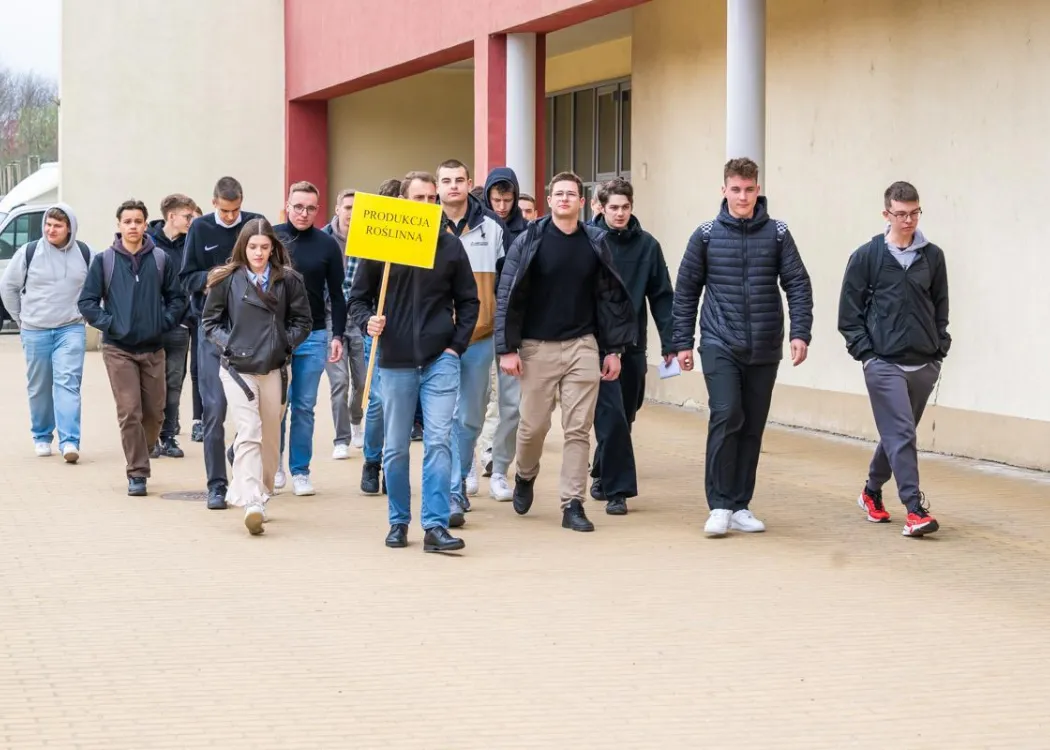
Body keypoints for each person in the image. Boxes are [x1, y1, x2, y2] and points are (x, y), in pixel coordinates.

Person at [672, 157, 814, 537]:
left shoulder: (779, 233)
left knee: (751, 425)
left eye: (749, 189)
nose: (743, 197)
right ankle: (718, 504)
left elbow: (798, 284)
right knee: (726, 413)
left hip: (765, 345)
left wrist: (800, 332)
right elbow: (686, 291)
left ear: (758, 190)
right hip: (720, 341)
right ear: (724, 190)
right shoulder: (705, 234)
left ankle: (740, 504)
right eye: (735, 189)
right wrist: (682, 342)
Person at [495, 171, 635, 533]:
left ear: (582, 201)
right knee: (533, 426)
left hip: (582, 346)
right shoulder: (529, 240)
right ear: (549, 199)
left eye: (571, 194)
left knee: (578, 430)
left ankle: (572, 503)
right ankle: (525, 475)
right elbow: (507, 297)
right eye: (558, 194)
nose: (564, 199)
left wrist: (613, 350)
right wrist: (506, 349)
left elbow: (609, 299)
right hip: (536, 348)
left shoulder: (596, 242)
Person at [347, 170, 479, 553]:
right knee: (396, 448)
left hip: (440, 359)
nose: (426, 205)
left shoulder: (449, 245)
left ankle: (435, 526)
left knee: (439, 441)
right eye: (418, 199)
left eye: (431, 199)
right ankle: (398, 520)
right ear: (402, 203)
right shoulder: (381, 247)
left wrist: (456, 346)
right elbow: (358, 299)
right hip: (395, 360)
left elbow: (469, 300)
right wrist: (366, 321)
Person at [838, 181, 949, 538]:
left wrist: (939, 347)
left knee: (896, 434)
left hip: (924, 361)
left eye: (915, 212)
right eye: (901, 214)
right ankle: (914, 510)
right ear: (887, 214)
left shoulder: (932, 256)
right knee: (901, 432)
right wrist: (866, 355)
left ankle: (871, 492)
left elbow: (940, 306)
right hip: (882, 361)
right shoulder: (867, 257)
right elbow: (848, 313)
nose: (909, 220)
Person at [202, 218, 312, 535]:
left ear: (273, 248)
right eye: (253, 247)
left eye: (265, 247)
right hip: (236, 367)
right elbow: (210, 323)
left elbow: (304, 321)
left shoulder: (288, 280)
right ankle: (252, 501)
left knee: (270, 436)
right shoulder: (226, 279)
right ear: (243, 247)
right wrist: (231, 344)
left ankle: (262, 490)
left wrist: (283, 342)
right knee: (248, 430)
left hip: (273, 365)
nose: (259, 253)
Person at [78, 199, 186, 496]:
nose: (133, 226)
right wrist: (110, 323)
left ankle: (145, 446)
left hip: (153, 348)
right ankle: (137, 473)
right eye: (128, 221)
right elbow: (86, 302)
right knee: (129, 411)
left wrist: (162, 322)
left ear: (146, 223)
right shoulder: (105, 261)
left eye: (138, 221)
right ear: (119, 225)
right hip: (118, 348)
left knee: (155, 414)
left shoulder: (161, 259)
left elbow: (178, 299)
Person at [589, 178, 675, 515]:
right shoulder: (588, 241)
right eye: (614, 207)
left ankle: (601, 468)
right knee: (610, 416)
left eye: (625, 207)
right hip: (595, 345)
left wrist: (672, 343)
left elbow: (662, 297)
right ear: (601, 207)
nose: (620, 213)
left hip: (633, 344)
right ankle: (618, 490)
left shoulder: (648, 247)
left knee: (627, 412)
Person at [180, 177, 264, 509]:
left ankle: (239, 456)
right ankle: (216, 483)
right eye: (225, 211)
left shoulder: (256, 224)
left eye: (236, 211)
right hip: (212, 330)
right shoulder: (199, 229)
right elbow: (186, 278)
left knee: (254, 414)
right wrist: (214, 278)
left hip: (250, 331)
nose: (231, 217)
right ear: (214, 202)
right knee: (214, 410)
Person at [436, 159, 507, 526]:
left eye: (458, 180)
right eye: (445, 181)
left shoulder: (491, 227)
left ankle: (462, 472)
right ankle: (449, 489)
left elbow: (505, 285)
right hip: (436, 341)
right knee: (442, 417)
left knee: (470, 417)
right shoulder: (425, 226)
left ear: (469, 183)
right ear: (437, 185)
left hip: (479, 337)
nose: (452, 186)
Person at [0, 204, 91, 461]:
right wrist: (21, 319)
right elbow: (8, 287)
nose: (51, 229)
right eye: (48, 224)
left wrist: (91, 313)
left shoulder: (84, 253)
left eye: (57, 225)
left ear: (69, 228)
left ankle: (70, 442)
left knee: (68, 384)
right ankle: (41, 436)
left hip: (70, 329)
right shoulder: (28, 252)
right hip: (35, 331)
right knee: (39, 387)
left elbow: (99, 285)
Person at [272, 181, 346, 496]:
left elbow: (339, 295)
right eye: (299, 206)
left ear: (319, 210)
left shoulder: (327, 245)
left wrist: (337, 334)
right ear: (288, 205)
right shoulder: (271, 237)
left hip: (314, 335)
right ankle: (273, 465)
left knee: (304, 405)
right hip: (274, 335)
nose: (304, 213)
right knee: (276, 406)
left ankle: (300, 470)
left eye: (311, 208)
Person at [475, 167, 527, 500]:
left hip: (512, 328)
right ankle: (466, 467)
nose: (503, 206)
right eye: (497, 200)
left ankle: (500, 467)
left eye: (508, 200)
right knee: (473, 403)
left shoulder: (527, 231)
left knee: (513, 405)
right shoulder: (475, 227)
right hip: (476, 326)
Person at [357, 176, 405, 496]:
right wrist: (367, 321)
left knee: (400, 405)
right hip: (380, 333)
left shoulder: (430, 244)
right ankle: (372, 460)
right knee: (377, 402)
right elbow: (358, 298)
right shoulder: (374, 248)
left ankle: (393, 465)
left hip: (415, 335)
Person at [147, 193, 198, 459]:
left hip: (179, 325)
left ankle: (168, 437)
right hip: (152, 327)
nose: (192, 221)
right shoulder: (148, 242)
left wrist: (187, 316)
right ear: (171, 216)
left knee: (174, 383)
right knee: (152, 384)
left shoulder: (191, 243)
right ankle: (151, 437)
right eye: (187, 216)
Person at [322, 188, 366, 459]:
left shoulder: (371, 239)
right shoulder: (323, 239)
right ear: (337, 209)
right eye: (347, 207)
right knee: (339, 381)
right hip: (330, 317)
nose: (351, 213)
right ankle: (341, 438)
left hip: (360, 318)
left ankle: (356, 418)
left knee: (362, 381)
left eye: (357, 208)